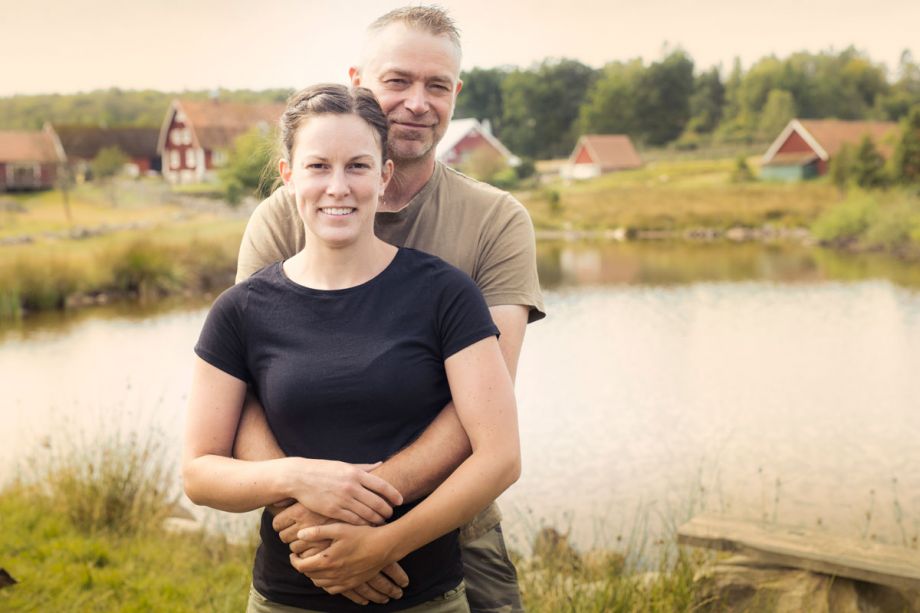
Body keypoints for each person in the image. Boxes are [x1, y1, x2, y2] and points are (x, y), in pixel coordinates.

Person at [234, 6, 544, 612]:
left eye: (437, 86)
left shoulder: (496, 221)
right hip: (305, 532)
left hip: (456, 521)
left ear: (456, 94)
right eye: (398, 80)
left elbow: (484, 402)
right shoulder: (280, 218)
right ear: (358, 83)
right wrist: (310, 518)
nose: (417, 103)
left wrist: (371, 521)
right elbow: (242, 389)